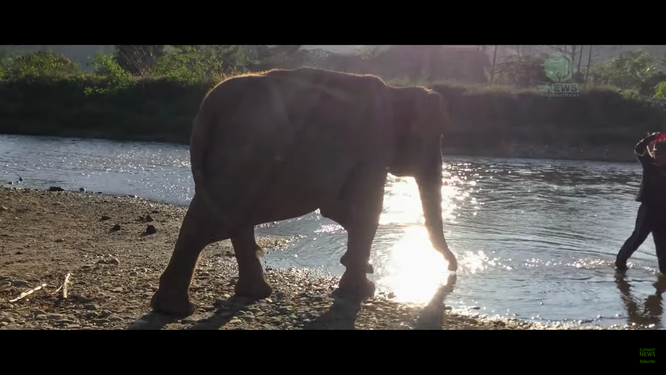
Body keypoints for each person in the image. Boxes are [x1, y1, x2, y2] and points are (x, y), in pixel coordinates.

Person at [615, 132, 666, 274]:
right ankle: (620, 264)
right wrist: (651, 138)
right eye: (656, 153)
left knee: (662, 244)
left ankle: (663, 274)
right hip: (649, 209)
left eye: (661, 153)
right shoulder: (650, 164)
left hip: (664, 211)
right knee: (638, 237)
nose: (658, 156)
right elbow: (639, 150)